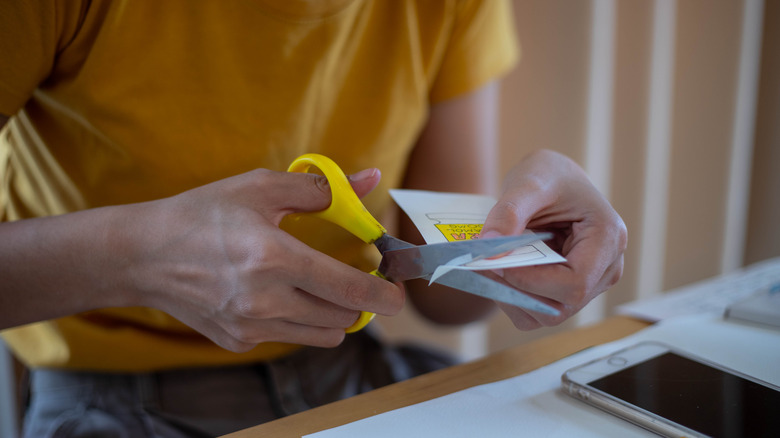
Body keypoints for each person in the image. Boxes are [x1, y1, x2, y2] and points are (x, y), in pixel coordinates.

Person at [0, 0, 627, 436]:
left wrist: (527, 243)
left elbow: (449, 301)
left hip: (350, 371)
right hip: (108, 400)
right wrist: (138, 255)